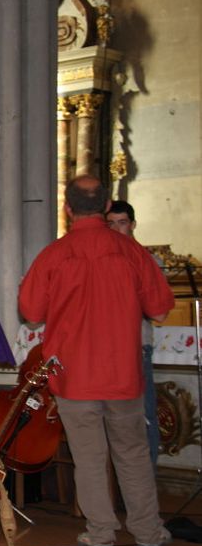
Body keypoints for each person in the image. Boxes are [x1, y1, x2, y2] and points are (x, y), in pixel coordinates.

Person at [18, 175, 173, 546]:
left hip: (74, 377)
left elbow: (31, 312)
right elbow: (161, 308)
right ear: (107, 207)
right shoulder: (131, 252)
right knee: (132, 454)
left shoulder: (54, 254)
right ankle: (148, 532)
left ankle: (101, 533)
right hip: (122, 373)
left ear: (67, 209)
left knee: (88, 458)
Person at [106, 200, 163, 467]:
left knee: (144, 415)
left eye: (122, 223)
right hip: (106, 349)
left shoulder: (147, 259)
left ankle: (147, 481)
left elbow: (156, 309)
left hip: (136, 345)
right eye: (111, 223)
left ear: (133, 225)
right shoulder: (101, 259)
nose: (117, 229)